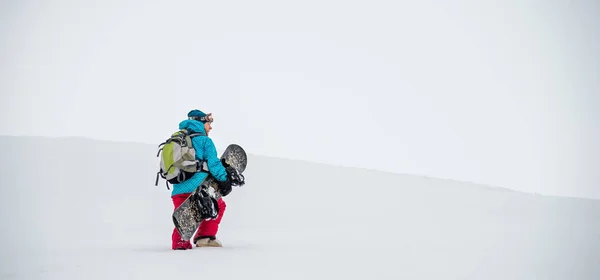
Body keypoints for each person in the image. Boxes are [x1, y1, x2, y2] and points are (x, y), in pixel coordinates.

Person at [170, 109, 232, 250]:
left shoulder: (178, 139)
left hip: (178, 189)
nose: (210, 127)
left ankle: (179, 244)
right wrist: (224, 179)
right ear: (200, 122)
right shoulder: (204, 141)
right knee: (219, 205)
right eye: (208, 123)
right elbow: (214, 163)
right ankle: (205, 237)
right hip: (198, 187)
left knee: (184, 217)